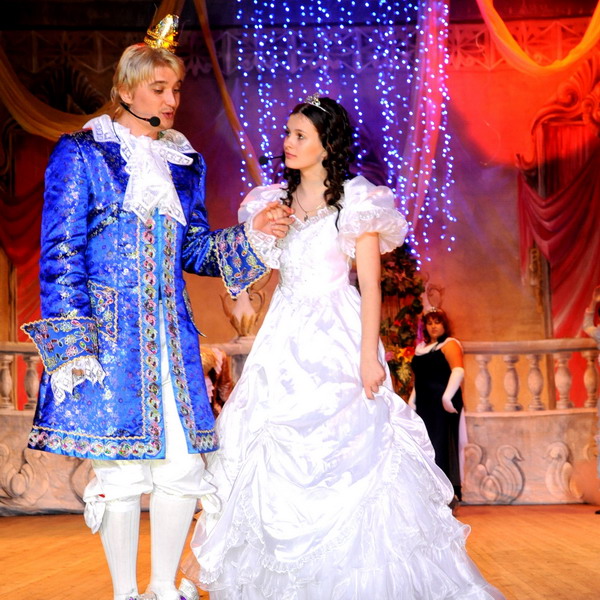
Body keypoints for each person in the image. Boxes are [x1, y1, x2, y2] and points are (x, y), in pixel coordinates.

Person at [184, 95, 505, 599]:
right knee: (265, 444)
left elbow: (371, 287)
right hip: (283, 337)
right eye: (287, 133)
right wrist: (255, 246)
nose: (288, 143)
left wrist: (367, 358)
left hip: (336, 331)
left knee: (355, 452)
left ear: (326, 145)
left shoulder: (357, 203)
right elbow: (256, 278)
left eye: (300, 135)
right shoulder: (272, 202)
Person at [21, 15, 291, 600]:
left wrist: (252, 237)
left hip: (172, 339)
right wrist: (73, 346)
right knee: (120, 475)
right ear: (126, 90)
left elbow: (193, 249)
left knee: (183, 467)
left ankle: (164, 588)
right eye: (159, 89)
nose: (172, 101)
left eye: (176, 90)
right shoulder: (82, 154)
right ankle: (125, 593)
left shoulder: (184, 164)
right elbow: (60, 254)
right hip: (109, 340)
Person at [409, 307, 465, 507]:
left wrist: (447, 397)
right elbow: (419, 380)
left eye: (437, 322)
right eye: (429, 323)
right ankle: (429, 493)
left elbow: (458, 370)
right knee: (426, 445)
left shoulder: (450, 344)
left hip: (442, 404)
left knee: (442, 445)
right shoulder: (421, 348)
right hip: (425, 403)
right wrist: (412, 400)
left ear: (444, 325)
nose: (433, 326)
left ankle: (446, 495)